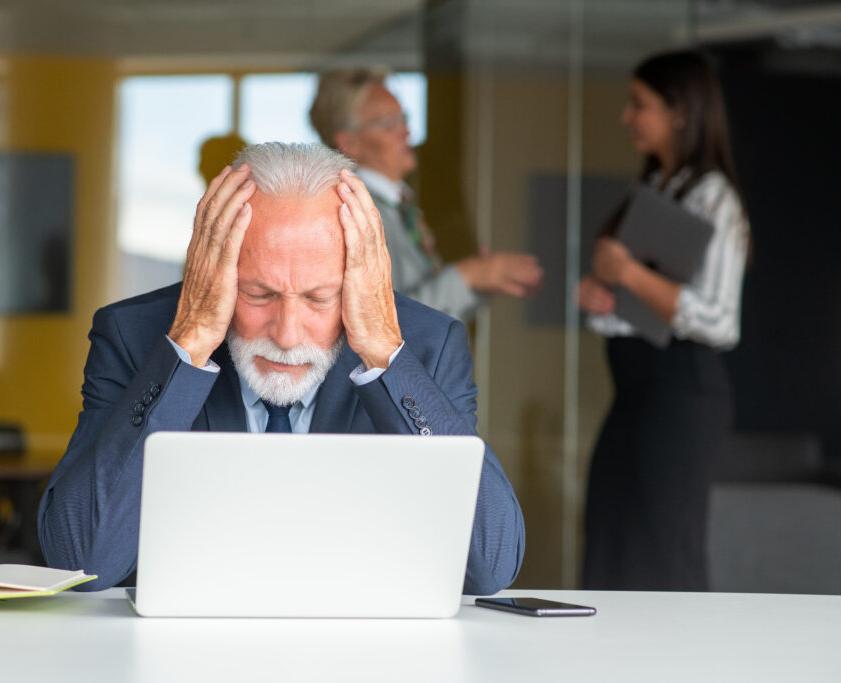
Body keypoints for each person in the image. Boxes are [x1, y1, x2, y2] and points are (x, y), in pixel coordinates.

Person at [38, 142, 525, 594]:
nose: (288, 335)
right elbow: (82, 561)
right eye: (258, 294)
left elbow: (491, 561)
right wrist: (186, 346)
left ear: (363, 277)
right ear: (212, 269)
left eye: (319, 297)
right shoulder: (134, 336)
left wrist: (386, 358)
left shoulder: (425, 345)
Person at [577, 50, 750, 591]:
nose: (627, 117)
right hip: (636, 392)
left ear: (681, 112)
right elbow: (637, 313)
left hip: (682, 395)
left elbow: (720, 321)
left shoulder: (714, 197)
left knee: (663, 549)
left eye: (640, 104)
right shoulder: (653, 189)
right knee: (611, 535)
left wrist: (627, 274)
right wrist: (601, 301)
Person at [309, 67, 542, 322]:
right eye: (389, 123)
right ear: (349, 142)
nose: (407, 132)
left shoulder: (398, 206)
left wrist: (480, 281)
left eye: (404, 118)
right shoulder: (353, 214)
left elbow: (427, 312)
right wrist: (467, 275)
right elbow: (381, 321)